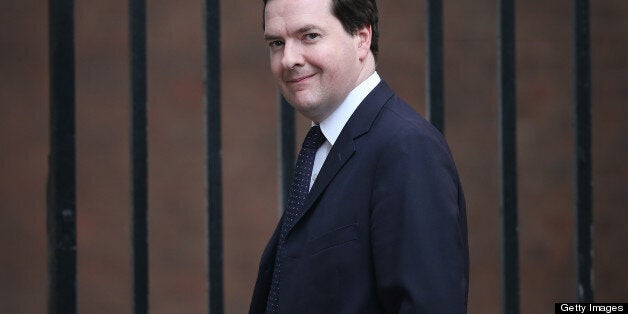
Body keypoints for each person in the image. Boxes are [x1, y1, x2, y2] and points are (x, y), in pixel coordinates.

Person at [250, 0, 469, 312]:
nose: (288, 59)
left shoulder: (407, 147)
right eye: (276, 42)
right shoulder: (325, 145)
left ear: (362, 38)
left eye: (310, 36)